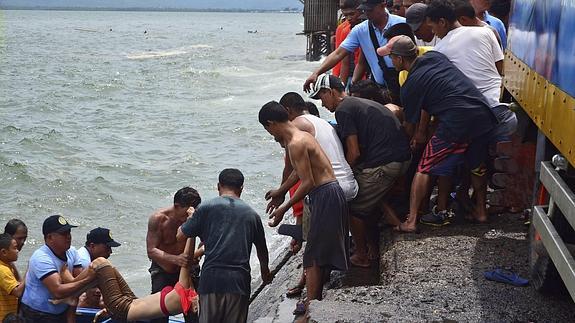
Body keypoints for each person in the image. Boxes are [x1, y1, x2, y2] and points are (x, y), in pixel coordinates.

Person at [383, 35, 497, 233]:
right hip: (482, 112)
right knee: (476, 164)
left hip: (457, 120)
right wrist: (422, 131)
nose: (391, 61)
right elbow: (429, 99)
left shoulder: (410, 85)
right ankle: (481, 211)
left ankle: (411, 221)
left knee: (424, 167)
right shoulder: (435, 57)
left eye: (392, 57)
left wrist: (410, 139)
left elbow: (410, 126)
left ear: (400, 59)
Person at [426, 0, 516, 222]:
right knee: (483, 158)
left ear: (442, 22)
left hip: (474, 112)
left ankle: (477, 210)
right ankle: (480, 206)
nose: (433, 32)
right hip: (501, 107)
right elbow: (500, 69)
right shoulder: (486, 32)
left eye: (433, 27)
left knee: (472, 159)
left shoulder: (441, 50)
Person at [309, 74, 411, 267]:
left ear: (329, 92)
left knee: (354, 207)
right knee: (367, 190)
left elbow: (354, 153)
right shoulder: (357, 103)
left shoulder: (343, 110)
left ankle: (361, 255)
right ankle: (396, 222)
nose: (322, 105)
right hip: (401, 158)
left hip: (387, 163)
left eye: (321, 98)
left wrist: (339, 175)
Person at [259, 102, 349, 313]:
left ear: (271, 124)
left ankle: (311, 304)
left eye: (266, 128)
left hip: (325, 194)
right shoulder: (301, 135)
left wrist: (284, 208)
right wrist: (280, 191)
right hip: (329, 193)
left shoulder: (296, 143)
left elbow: (307, 181)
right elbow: (297, 173)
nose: (269, 133)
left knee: (313, 254)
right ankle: (314, 300)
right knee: (320, 249)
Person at [177, 169, 272, 323]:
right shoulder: (252, 215)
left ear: (218, 186)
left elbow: (180, 236)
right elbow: (262, 251)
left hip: (211, 281)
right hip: (239, 283)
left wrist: (191, 218)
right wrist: (265, 272)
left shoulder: (205, 208)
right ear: (241, 188)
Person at [56, 238, 198, 322]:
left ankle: (69, 290)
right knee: (108, 267)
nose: (198, 302)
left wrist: (192, 229)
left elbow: (186, 260)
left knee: (100, 263)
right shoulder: (188, 292)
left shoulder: (183, 297)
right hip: (130, 300)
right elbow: (189, 261)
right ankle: (71, 295)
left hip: (123, 308)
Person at [303, 0, 406, 103]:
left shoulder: (402, 23)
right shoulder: (360, 30)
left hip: (406, 85)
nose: (367, 13)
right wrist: (316, 73)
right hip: (380, 89)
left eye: (370, 9)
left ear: (383, 4)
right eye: (365, 10)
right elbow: (338, 53)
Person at [20, 215, 92, 322]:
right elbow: (58, 292)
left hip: (61, 311)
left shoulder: (72, 252)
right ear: (49, 237)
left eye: (69, 232)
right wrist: (88, 280)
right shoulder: (41, 258)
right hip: (37, 314)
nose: (68, 236)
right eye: (63, 234)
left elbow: (78, 280)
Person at [146, 187, 201, 323]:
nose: (187, 218)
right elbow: (151, 250)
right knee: (158, 314)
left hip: (187, 269)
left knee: (194, 311)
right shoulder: (158, 219)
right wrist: (176, 259)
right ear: (177, 206)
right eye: (186, 213)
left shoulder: (196, 217)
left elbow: (208, 241)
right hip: (163, 270)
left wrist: (197, 253)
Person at [76, 227, 121, 310]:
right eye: (107, 247)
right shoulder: (84, 262)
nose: (110, 252)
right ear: (92, 246)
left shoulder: (88, 256)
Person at [333, 0, 364, 86]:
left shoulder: (370, 26)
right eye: (346, 15)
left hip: (366, 74)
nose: (349, 18)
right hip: (353, 74)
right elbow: (343, 60)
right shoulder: (344, 30)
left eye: (352, 14)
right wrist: (340, 86)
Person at [0, 234, 24, 321]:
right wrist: (29, 272)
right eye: (14, 248)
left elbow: (19, 283)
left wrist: (12, 265)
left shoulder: (7, 266)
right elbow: (18, 292)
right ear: (4, 252)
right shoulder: (3, 270)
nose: (17, 251)